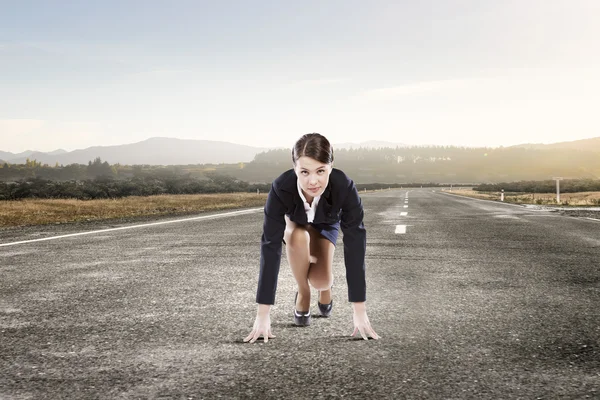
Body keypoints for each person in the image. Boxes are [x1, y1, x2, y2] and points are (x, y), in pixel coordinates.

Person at [244, 133, 380, 343]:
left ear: (331, 166)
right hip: (296, 224)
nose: (313, 181)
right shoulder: (281, 188)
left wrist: (359, 310)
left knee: (322, 280)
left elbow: (355, 243)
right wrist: (262, 315)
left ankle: (325, 287)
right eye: (304, 172)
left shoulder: (344, 186)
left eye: (320, 171)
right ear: (295, 168)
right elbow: (270, 245)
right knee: (298, 237)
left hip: (326, 225)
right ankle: (303, 292)